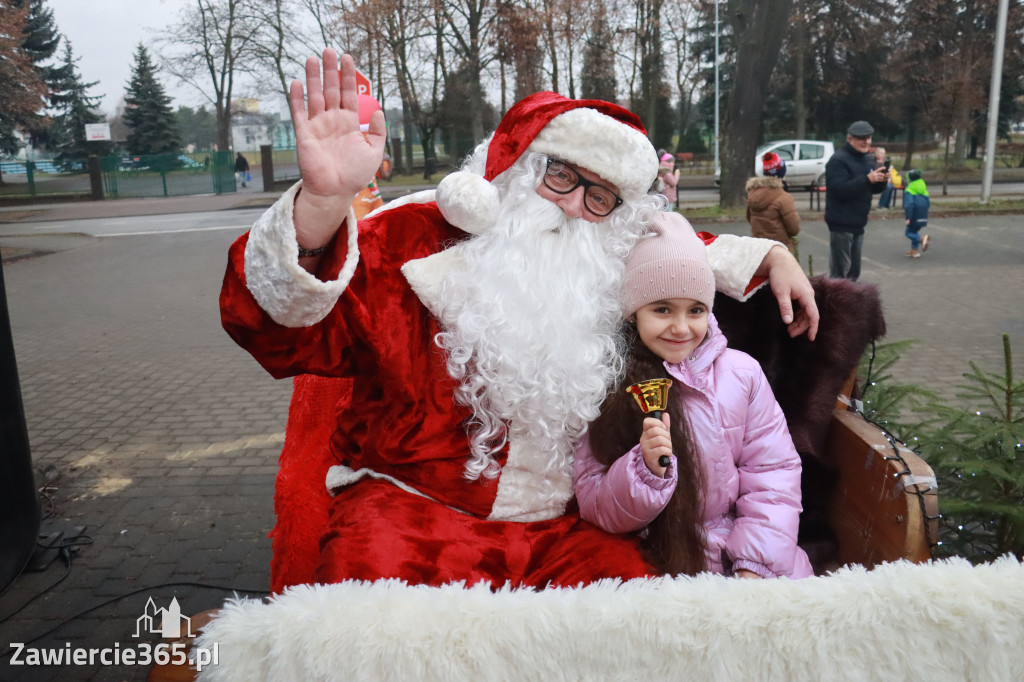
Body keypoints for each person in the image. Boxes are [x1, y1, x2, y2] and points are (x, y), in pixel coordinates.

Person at [219, 48, 819, 589]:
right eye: (560, 174)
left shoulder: (607, 259)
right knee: (368, 624)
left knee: (642, 614)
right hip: (413, 508)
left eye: (599, 197)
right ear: (518, 168)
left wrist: (768, 254)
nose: (571, 206)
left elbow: (681, 252)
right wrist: (322, 203)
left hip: (565, 530)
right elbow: (277, 333)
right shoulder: (411, 241)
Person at [573, 212, 813, 580]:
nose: (681, 328)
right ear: (634, 312)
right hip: (653, 560)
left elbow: (773, 474)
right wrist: (644, 473)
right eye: (662, 309)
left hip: (746, 553)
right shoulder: (607, 382)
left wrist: (755, 564)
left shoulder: (741, 373)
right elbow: (595, 501)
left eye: (695, 310)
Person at [825, 121, 887, 280]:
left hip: (858, 223)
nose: (866, 142)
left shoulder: (867, 159)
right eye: (861, 138)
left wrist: (881, 180)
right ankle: (835, 304)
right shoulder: (838, 160)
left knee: (854, 273)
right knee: (840, 274)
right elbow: (839, 190)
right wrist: (867, 179)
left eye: (868, 138)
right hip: (841, 223)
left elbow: (872, 189)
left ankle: (850, 303)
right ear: (850, 139)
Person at [746, 153, 800, 253]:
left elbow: (749, 217)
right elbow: (793, 228)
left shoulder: (753, 193)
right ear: (781, 172)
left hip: (758, 248)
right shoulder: (784, 197)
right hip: (780, 248)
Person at [903, 169, 931, 258]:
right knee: (914, 231)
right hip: (922, 214)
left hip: (913, 215)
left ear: (909, 180)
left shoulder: (909, 190)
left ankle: (922, 239)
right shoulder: (923, 188)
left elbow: (909, 205)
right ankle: (914, 251)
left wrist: (908, 217)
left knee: (908, 233)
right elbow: (928, 202)